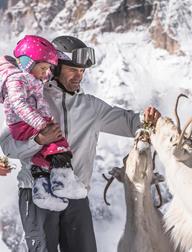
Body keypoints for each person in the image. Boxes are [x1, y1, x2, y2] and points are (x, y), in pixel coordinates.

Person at [0, 35, 161, 252]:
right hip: (37, 194)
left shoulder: (91, 107)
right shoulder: (33, 98)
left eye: (83, 71)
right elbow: (8, 147)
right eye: (73, 69)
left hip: (76, 194)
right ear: (55, 68)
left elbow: (129, 122)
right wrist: (39, 141)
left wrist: (150, 121)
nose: (79, 76)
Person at [0, 35, 86, 213]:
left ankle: (43, 189)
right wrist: (41, 126)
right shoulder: (17, 80)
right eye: (43, 67)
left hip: (30, 123)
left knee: (43, 156)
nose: (46, 73)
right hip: (23, 125)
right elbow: (19, 104)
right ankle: (63, 179)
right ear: (27, 63)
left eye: (49, 68)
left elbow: (38, 103)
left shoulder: (32, 80)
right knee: (57, 143)